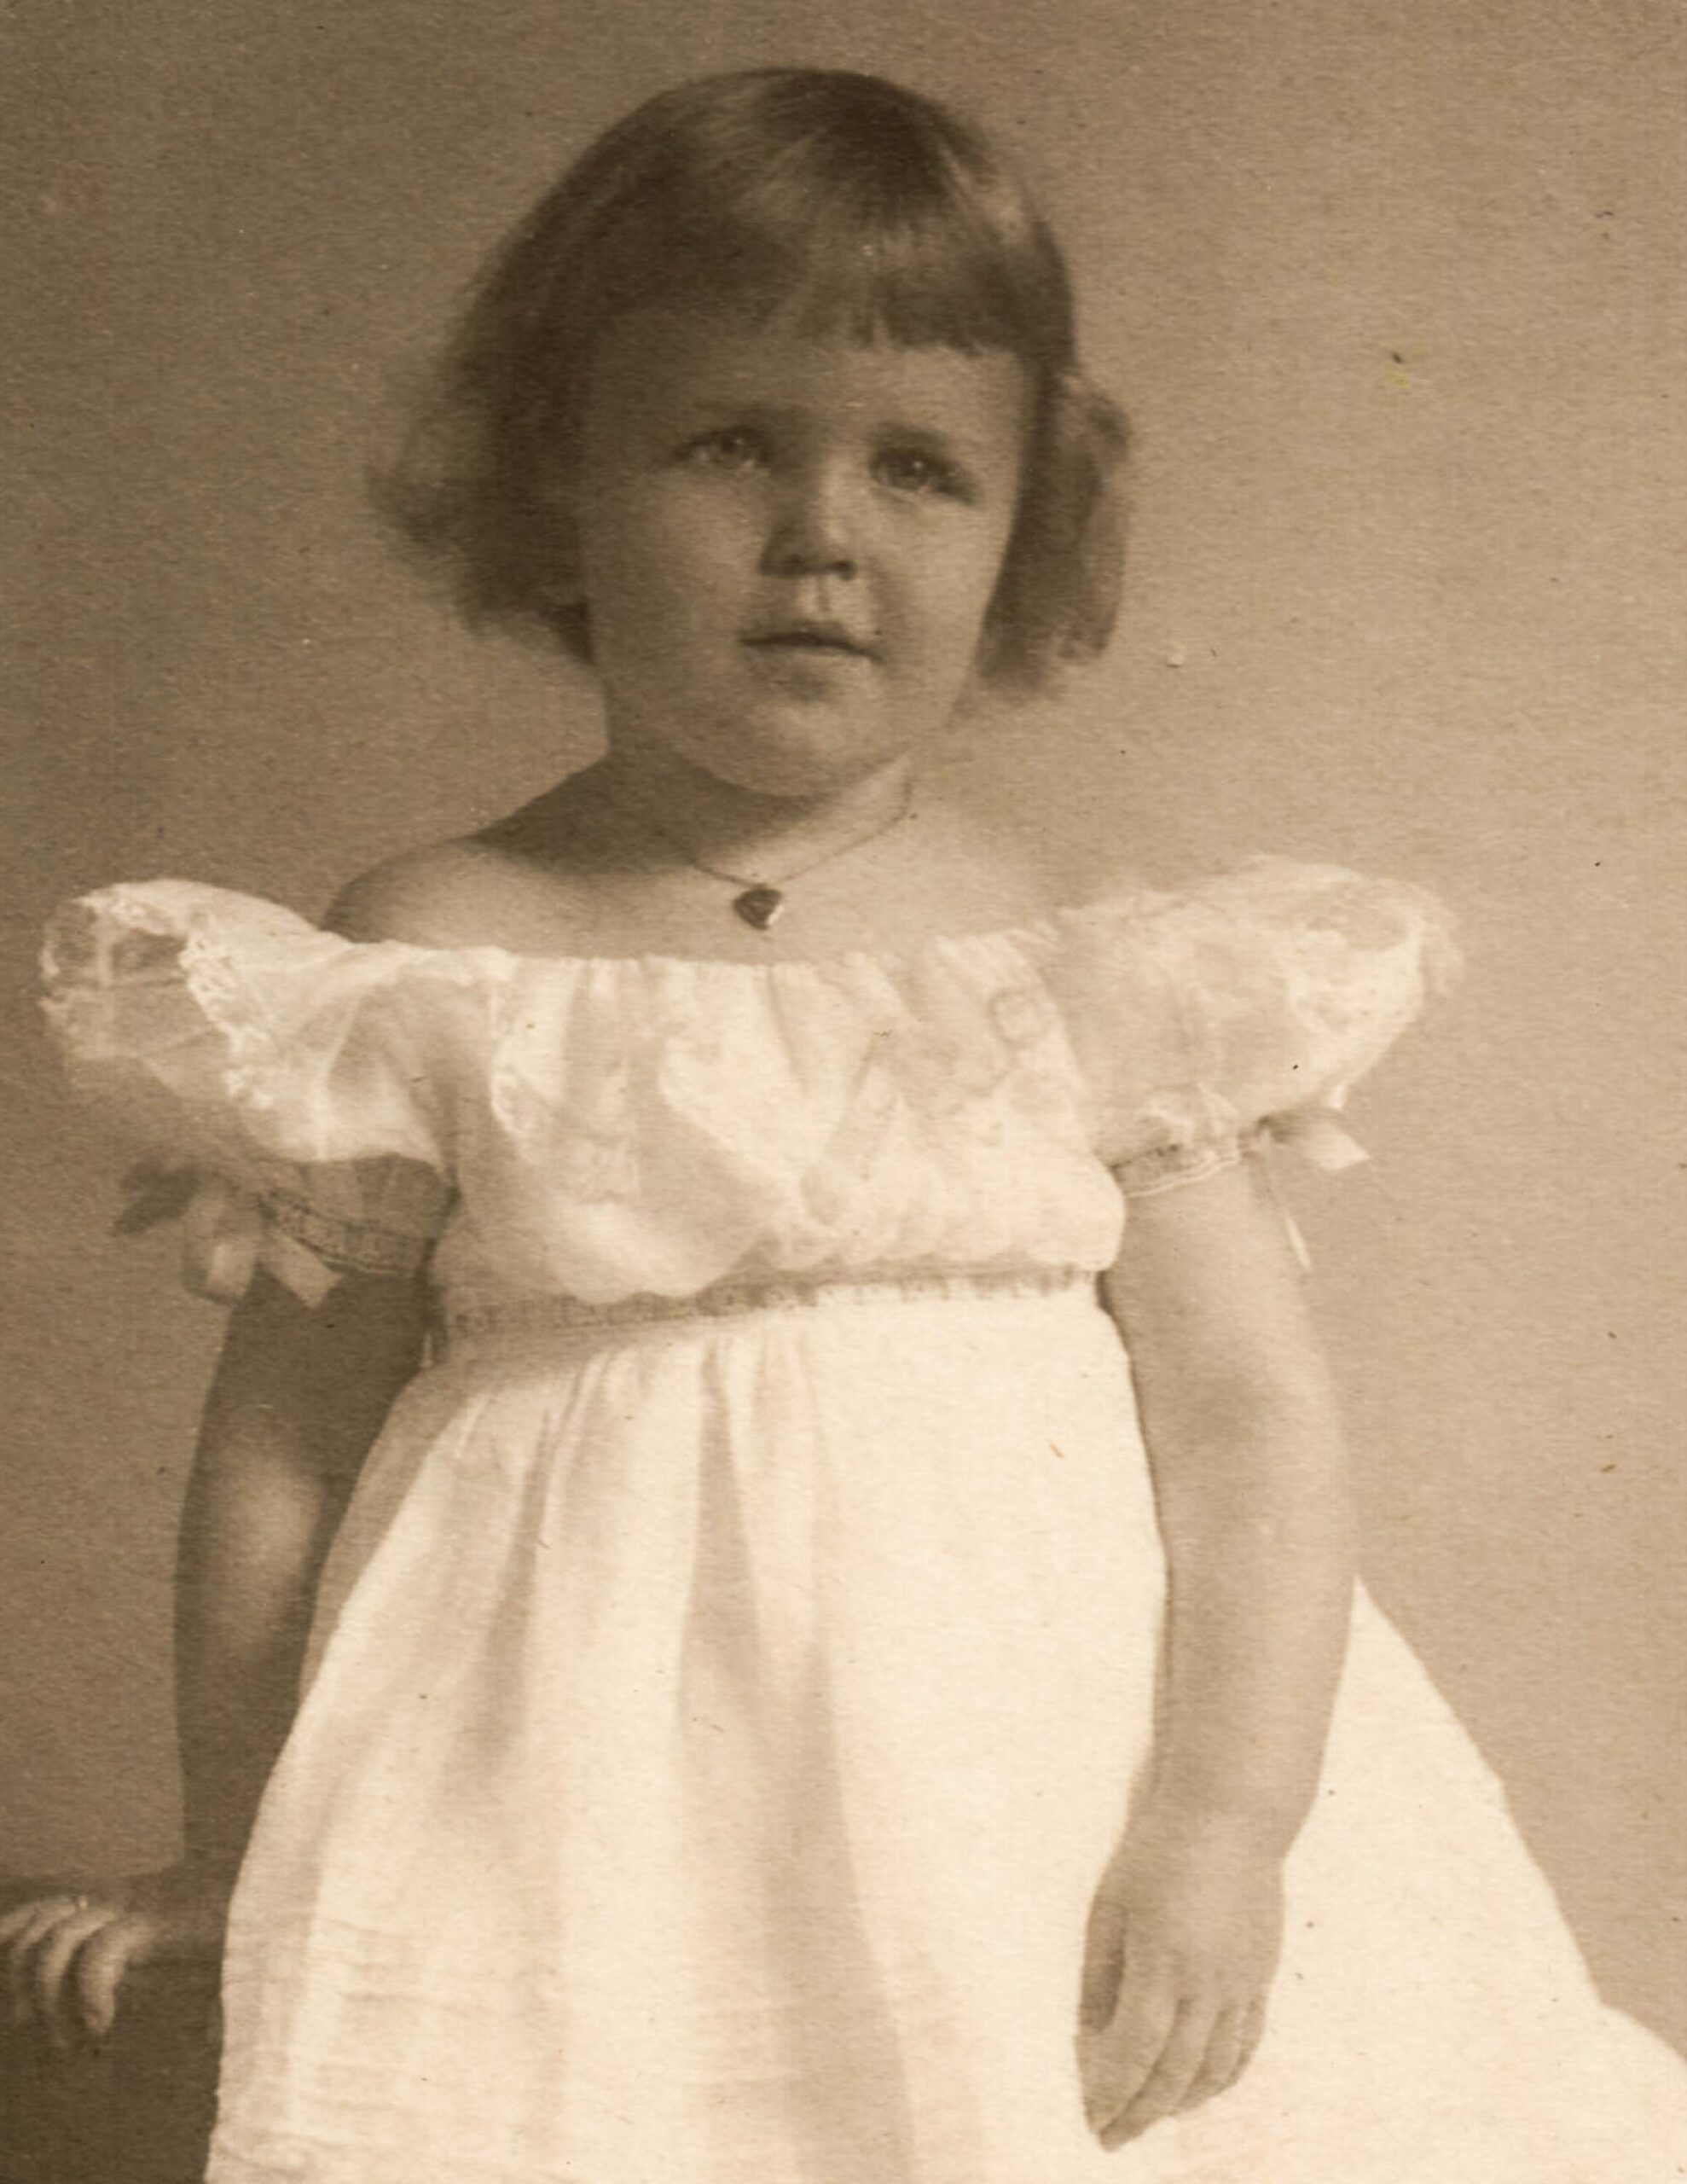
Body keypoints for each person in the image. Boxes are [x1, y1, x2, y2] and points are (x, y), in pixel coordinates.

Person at [6, 65, 1684, 2184]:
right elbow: (278, 1446)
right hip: (590, 1829)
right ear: (557, 493)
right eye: (727, 445)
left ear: (1023, 533)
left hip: (1037, 1801)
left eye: (919, 468)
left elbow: (1247, 1419)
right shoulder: (439, 953)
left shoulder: (1069, 961)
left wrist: (1218, 1828)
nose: (822, 534)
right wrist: (229, 1852)